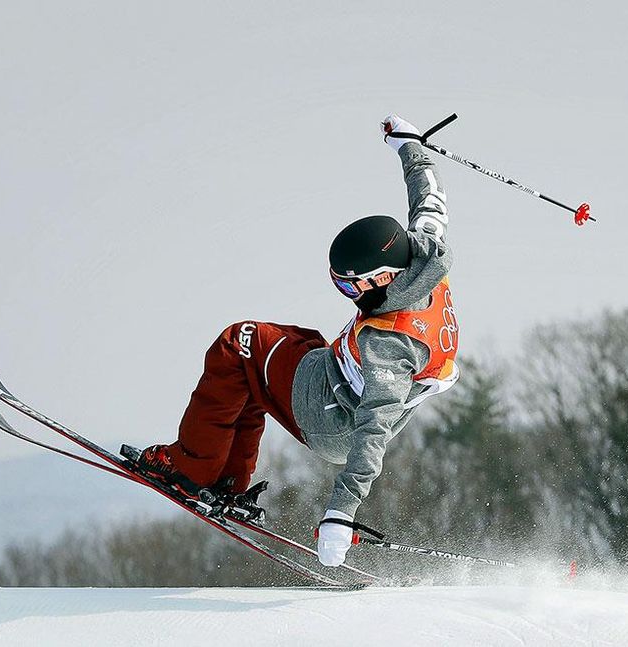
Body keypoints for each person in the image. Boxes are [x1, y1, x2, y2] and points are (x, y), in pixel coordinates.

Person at [136, 113, 460, 567]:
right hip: (333, 373)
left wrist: (341, 514)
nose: (348, 296)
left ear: (384, 278)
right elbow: (429, 199)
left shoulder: (390, 345)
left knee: (239, 343)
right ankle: (226, 478)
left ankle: (191, 469)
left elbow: (373, 432)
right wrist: (409, 146)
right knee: (262, 365)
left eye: (351, 288)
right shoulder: (425, 257)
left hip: (332, 416)